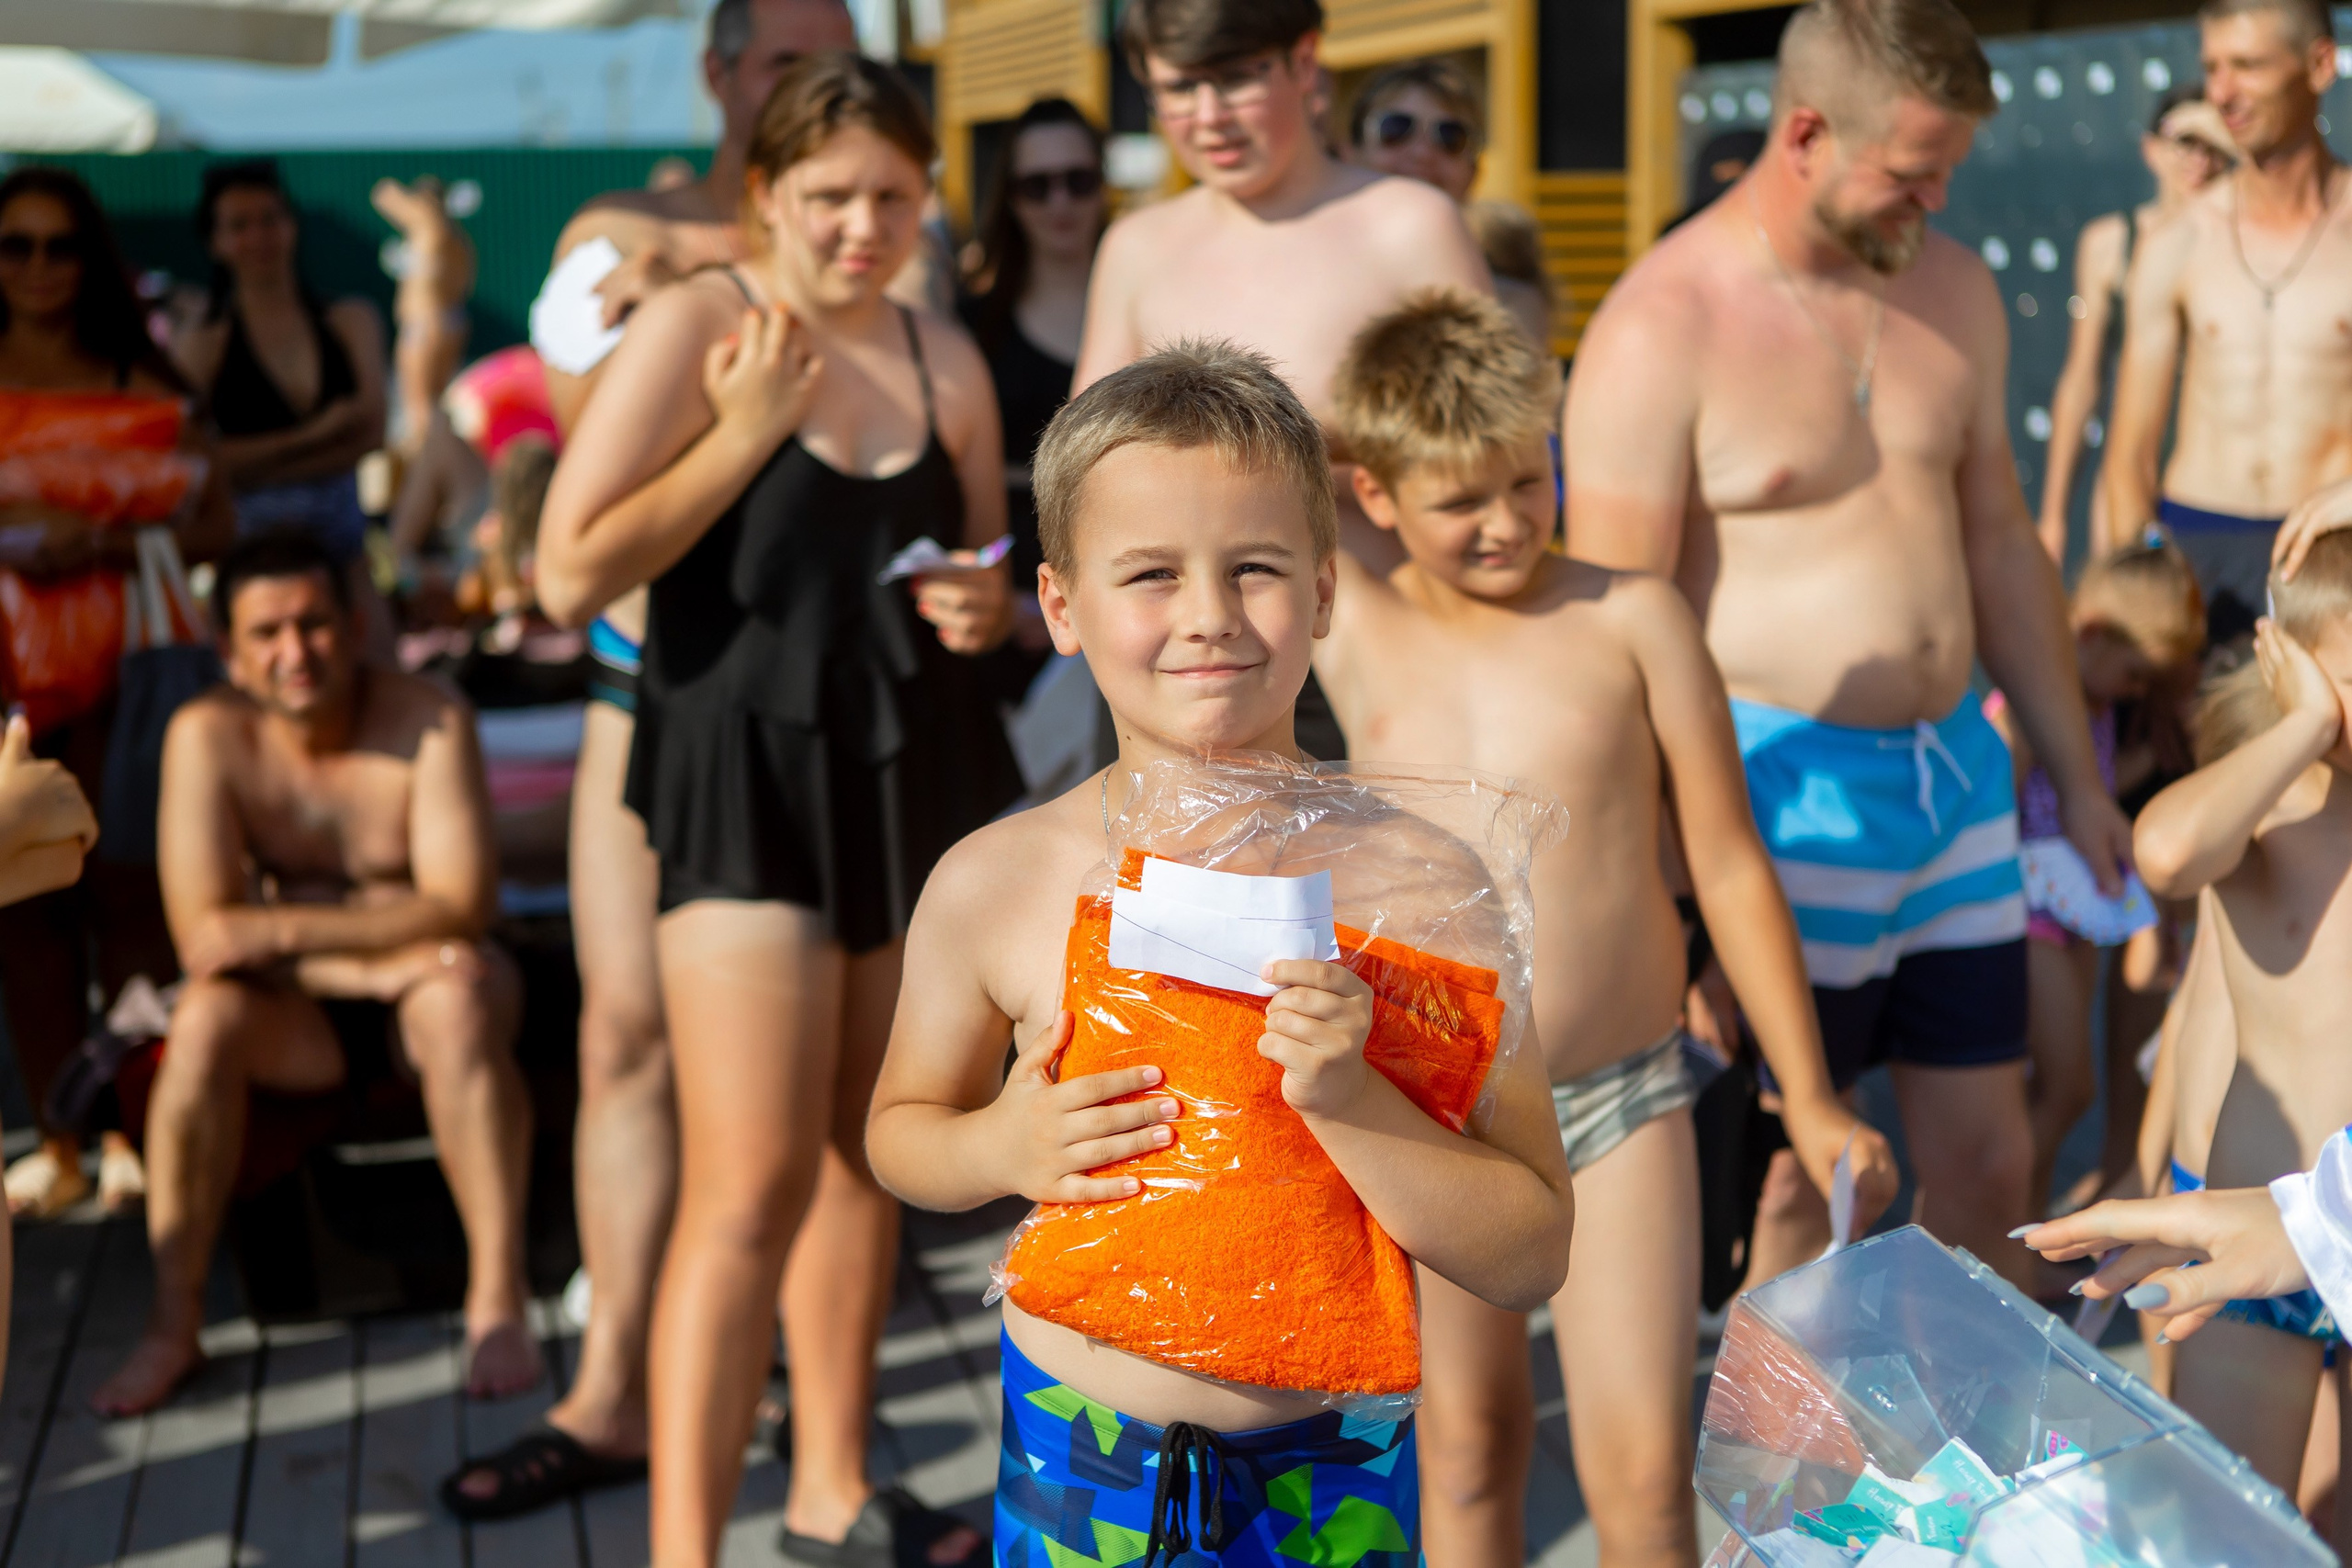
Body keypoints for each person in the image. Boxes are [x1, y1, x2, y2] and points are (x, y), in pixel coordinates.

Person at [866, 337, 1577, 1568]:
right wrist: (998, 1141)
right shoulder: (1001, 879)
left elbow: (1529, 1245)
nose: (1206, 616)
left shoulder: (1417, 885)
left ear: (1325, 591)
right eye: (1150, 573)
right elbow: (897, 1130)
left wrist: (1352, 1100)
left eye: (1254, 567)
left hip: (1330, 1468)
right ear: (1061, 607)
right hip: (1081, 1451)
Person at [1317, 289, 1895, 1568]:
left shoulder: (1631, 615)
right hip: (1434, 1105)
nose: (1508, 520)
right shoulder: (1350, 619)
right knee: (1467, 1452)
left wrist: (1803, 1090)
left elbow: (1731, 863)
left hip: (1623, 1095)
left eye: (1530, 478)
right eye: (1460, 498)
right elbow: (1255, 452)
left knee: (1639, 1476)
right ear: (1374, 496)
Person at [1564, 0, 2132, 1292]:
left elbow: (2000, 545)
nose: (1936, 197)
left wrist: (2076, 777)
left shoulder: (1955, 291)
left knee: (1991, 1153)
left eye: (1950, 170)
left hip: (1953, 789)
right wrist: (1675, 901)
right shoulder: (1665, 324)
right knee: (1805, 1179)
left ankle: (1956, 1464)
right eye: (1912, 169)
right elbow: (1610, 643)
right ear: (1807, 132)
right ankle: (1789, 1481)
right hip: (1772, 806)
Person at [532, 55, 1014, 1566]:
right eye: (828, 198)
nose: (862, 226)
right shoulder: (700, 328)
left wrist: (986, 606)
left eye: (890, 194)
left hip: (897, 779)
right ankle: (686, 1544)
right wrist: (741, 433)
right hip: (737, 777)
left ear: (925, 194)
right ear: (766, 197)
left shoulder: (948, 358)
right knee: (739, 1183)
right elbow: (566, 571)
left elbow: (992, 566)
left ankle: (826, 1490)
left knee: (864, 1153)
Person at [450, 0, 869, 1525]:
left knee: (826, 1086)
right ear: (718, 70)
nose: (811, 91)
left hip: (818, 709)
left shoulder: (877, 226)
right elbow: (572, 432)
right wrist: (700, 305)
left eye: (837, 61)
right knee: (625, 1031)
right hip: (651, 685)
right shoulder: (620, 227)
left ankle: (808, 1423)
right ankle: (613, 1386)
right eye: (782, 62)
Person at [91, 528, 538, 1418]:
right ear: (229, 651)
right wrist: (371, 961)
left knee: (455, 1000)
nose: (295, 653)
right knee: (206, 1021)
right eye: (267, 634)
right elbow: (206, 938)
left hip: (432, 996)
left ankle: (499, 1290)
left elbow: (462, 906)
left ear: (356, 621)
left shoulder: (429, 716)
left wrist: (283, 928)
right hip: (311, 1012)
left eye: (314, 624)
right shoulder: (207, 735)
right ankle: (172, 1320)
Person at [1074, 0, 1491, 761]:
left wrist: (1286, 444)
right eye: (1178, 89)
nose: (1209, 116)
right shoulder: (1136, 246)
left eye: (1235, 80)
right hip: (1183, 662)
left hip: (1369, 655)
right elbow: (1087, 472)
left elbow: (1489, 445)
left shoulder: (1410, 224)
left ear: (1304, 64)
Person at [0, 166, 234, 1222]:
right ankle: (61, 1139)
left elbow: (217, 522)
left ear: (91, 259)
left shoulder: (145, 382)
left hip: (128, 687)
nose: (40, 268)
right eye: (17, 245)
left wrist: (100, 536)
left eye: (60, 246)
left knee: (135, 906)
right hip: (8, 694)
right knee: (23, 921)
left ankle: (141, 1124)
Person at [2129, 537, 2352, 1511]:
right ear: (2287, 666)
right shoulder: (2269, 821)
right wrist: (2305, 724)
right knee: (2233, 1528)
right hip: (2252, 1236)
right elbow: (2167, 853)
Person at [2101, 0, 2352, 642]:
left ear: (2320, 65)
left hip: (2328, 550)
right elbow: (2130, 452)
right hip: (2197, 547)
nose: (2221, 93)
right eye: (2212, 67)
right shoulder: (2180, 238)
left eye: (2246, 65)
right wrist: (2144, 619)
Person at [1982, 537, 2204, 1222]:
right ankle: (1986, 1218)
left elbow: (2086, 790)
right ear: (2092, 634)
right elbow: (1995, 804)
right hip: (2028, 913)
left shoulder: (2099, 712)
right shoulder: (2024, 708)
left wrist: (2144, 759)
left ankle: (2018, 1232)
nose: (2138, 692)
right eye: (2137, 674)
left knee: (2051, 1090)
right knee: (2068, 1087)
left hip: (2069, 917)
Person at [2038, 93, 2235, 566]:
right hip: (2130, 469)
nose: (2199, 160)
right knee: (2128, 620)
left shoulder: (2240, 247)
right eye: (2186, 141)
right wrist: (2052, 515)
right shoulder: (2110, 244)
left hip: (2210, 471)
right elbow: (2081, 380)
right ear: (2151, 149)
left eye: (2214, 145)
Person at [174, 161, 387, 577]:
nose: (258, 238)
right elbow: (195, 464)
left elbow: (370, 435)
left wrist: (255, 465)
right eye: (239, 226)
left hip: (342, 558)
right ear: (215, 242)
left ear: (292, 226)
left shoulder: (350, 320)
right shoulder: (203, 343)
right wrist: (317, 436)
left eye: (270, 220)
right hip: (248, 566)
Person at [958, 96, 1107, 626]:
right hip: (1008, 584)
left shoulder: (1150, 308)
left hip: (1126, 575)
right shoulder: (972, 326)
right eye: (1037, 186)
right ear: (1011, 199)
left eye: (1078, 180)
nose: (1060, 201)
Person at [1345, 58, 1554, 355]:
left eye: (1450, 136)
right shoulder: (1306, 260)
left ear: (1474, 172)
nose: (1422, 153)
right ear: (1351, 150)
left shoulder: (1512, 302)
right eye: (1396, 128)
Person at [370, 175, 477, 457]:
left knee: (418, 407)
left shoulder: (428, 223)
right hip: (450, 322)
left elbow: (383, 193)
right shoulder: (457, 239)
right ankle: (441, 469)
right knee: (437, 405)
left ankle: (427, 473)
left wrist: (417, 201)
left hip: (424, 324)